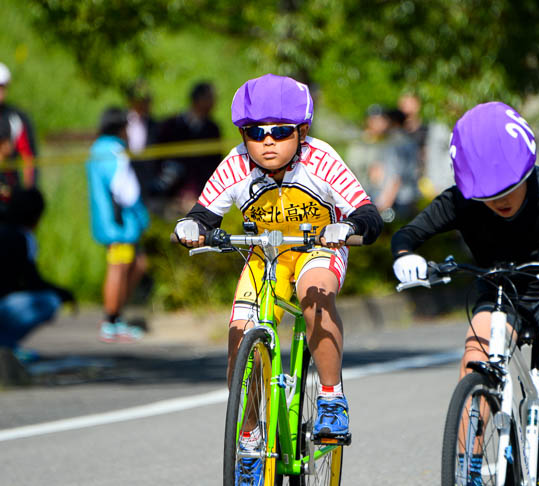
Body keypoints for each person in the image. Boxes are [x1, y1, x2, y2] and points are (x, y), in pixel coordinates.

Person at [391, 101, 539, 486]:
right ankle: (468, 469)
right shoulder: (461, 201)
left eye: (509, 188)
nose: (499, 199)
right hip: (499, 290)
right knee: (473, 362)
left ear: (527, 171)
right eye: (486, 193)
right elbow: (408, 234)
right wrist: (404, 257)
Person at [173, 74, 383, 485]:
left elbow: (367, 213)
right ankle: (250, 438)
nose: (267, 141)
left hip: (318, 247)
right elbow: (204, 213)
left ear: (302, 132)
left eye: (281, 131)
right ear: (243, 134)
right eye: (255, 132)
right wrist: (190, 226)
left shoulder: (321, 159)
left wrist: (349, 227)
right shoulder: (236, 163)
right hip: (265, 254)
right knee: (238, 336)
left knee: (313, 294)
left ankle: (329, 397)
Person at [86, 107, 149, 343]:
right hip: (120, 224)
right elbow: (126, 191)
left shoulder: (98, 149)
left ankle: (115, 318)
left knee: (135, 264)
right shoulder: (114, 151)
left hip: (111, 223)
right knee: (119, 267)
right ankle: (111, 321)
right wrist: (141, 215)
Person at [0, 187, 75, 361]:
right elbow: (32, 281)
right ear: (36, 217)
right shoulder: (23, 237)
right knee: (48, 301)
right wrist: (64, 293)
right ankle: (5, 346)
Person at [151, 81, 221, 214]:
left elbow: (213, 165)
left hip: (199, 197)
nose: (213, 104)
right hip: (169, 196)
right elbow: (158, 159)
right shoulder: (170, 125)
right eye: (210, 98)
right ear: (199, 99)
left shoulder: (212, 130)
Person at [0, 62, 37, 204]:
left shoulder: (15, 118)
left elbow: (28, 157)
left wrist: (29, 191)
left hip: (10, 192)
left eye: (2, 87)